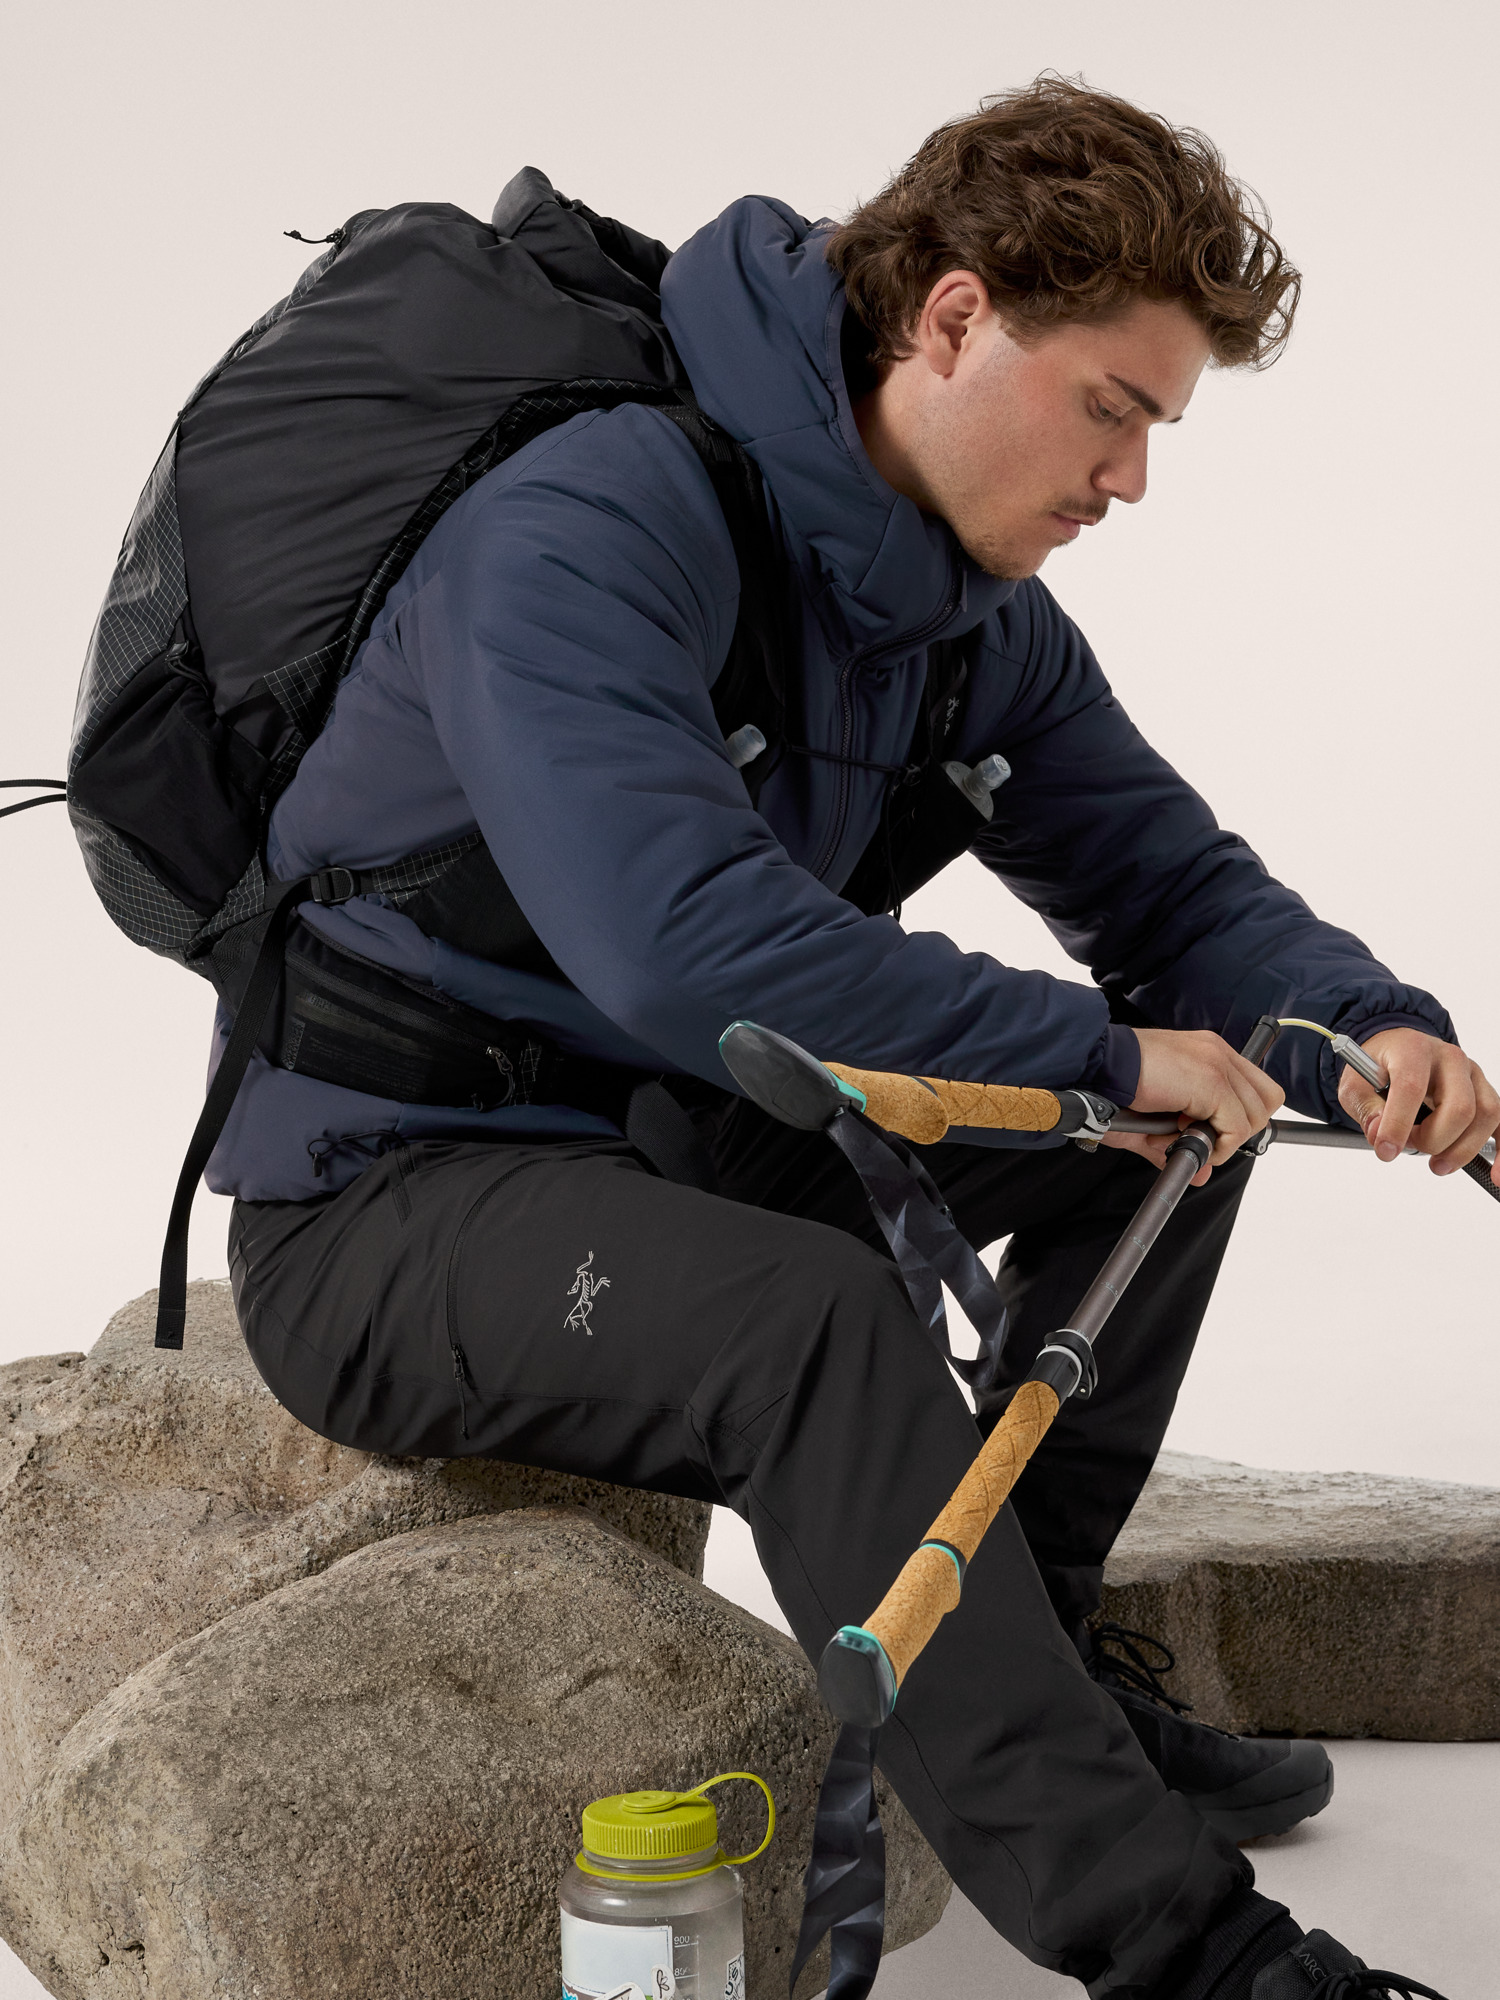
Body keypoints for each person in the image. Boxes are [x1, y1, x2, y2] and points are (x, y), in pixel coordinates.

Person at [216, 78, 1488, 1998]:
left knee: (1164, 1133)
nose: (1133, 481)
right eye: (1114, 409)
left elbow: (1173, 895)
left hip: (680, 1131)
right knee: (819, 1317)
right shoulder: (584, 521)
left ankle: (1036, 1672)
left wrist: (1367, 1029)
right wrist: (1102, 1053)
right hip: (393, 1193)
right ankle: (1199, 1961)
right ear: (957, 317)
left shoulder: (965, 611)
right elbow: (680, 944)